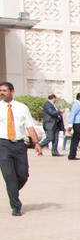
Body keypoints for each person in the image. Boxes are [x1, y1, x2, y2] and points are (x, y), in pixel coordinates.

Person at [1, 82, 44, 216]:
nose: (2, 93)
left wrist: (36, 143)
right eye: (0, 90)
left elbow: (29, 126)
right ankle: (16, 206)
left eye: (4, 90)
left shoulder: (22, 108)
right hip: (3, 144)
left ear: (12, 92)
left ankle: (12, 191)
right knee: (9, 175)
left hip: (19, 144)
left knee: (23, 175)